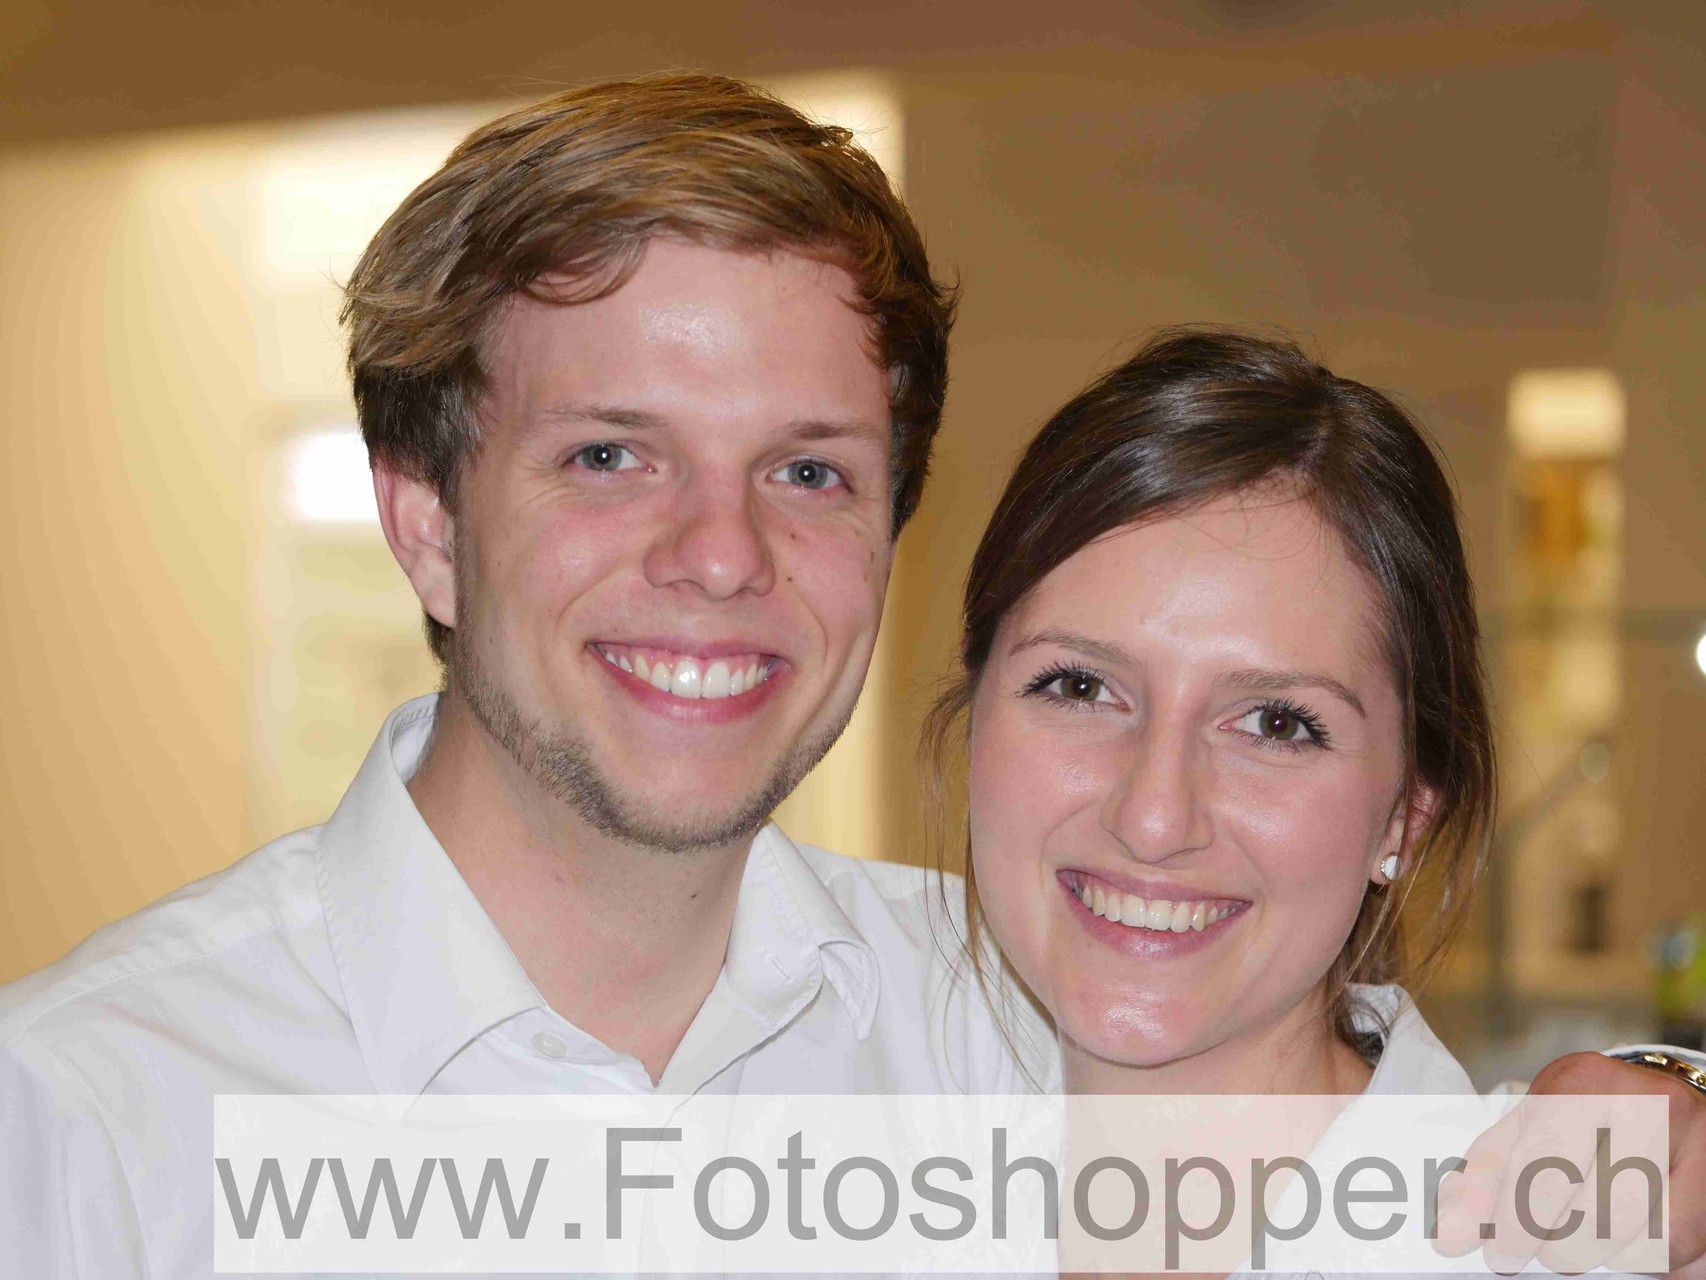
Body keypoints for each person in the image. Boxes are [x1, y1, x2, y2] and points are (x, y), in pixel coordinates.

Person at [0, 76, 1701, 1276]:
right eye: (609, 455)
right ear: (428, 526)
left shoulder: (1001, 1008)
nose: (719, 554)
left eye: (806, 470)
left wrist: (1668, 1106)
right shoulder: (94, 1122)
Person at [931, 327, 1706, 1273]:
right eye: (1081, 686)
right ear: (975, 719)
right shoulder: (841, 1110)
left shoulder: (1561, 1246)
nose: (1154, 817)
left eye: (1275, 724)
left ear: (1404, 817)